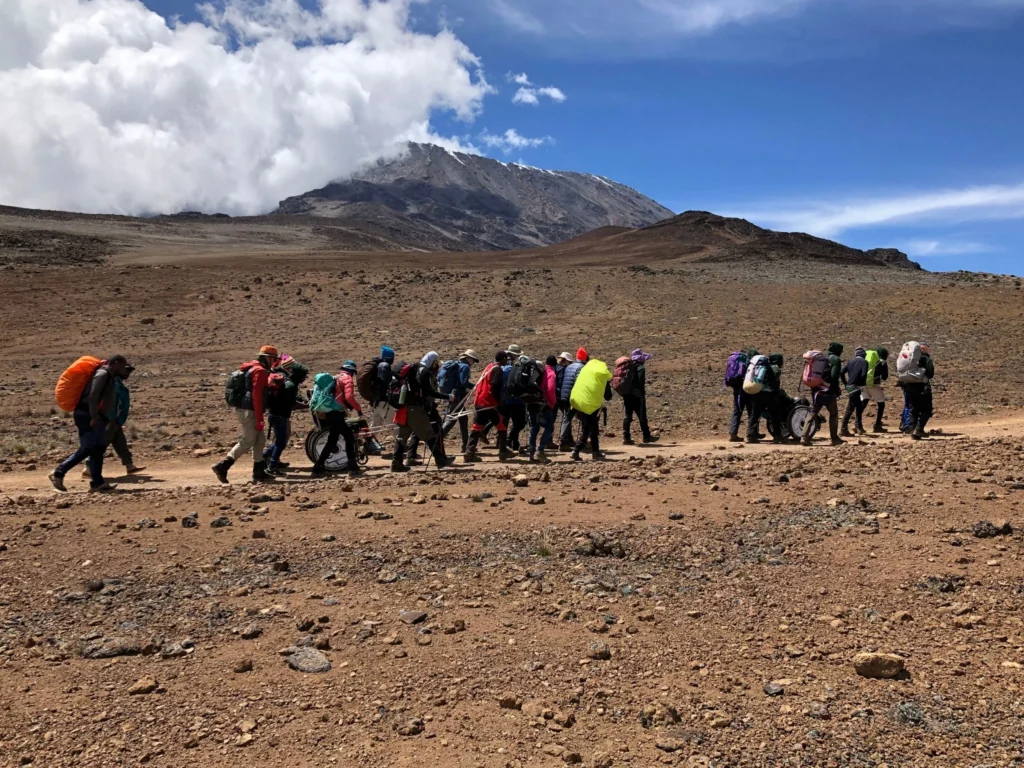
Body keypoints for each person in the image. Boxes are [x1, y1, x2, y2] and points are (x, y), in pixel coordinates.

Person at [49, 355, 132, 493]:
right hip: (87, 415)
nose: (124, 369)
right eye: (123, 366)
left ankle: (97, 483)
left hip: (98, 416)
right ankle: (58, 473)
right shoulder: (102, 373)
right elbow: (93, 395)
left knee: (98, 449)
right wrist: (93, 415)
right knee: (87, 448)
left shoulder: (109, 375)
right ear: (116, 363)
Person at [213, 346, 279, 484]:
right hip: (251, 411)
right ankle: (223, 466)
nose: (274, 362)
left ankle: (259, 472)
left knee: (259, 440)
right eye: (273, 359)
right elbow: (257, 395)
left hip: (248, 409)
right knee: (248, 440)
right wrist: (260, 418)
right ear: (268, 358)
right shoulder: (260, 371)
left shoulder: (253, 368)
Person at [391, 352, 454, 472]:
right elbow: (428, 392)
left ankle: (396, 463)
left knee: (402, 437)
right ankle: (441, 460)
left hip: (403, 408)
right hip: (415, 409)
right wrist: (447, 397)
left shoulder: (413, 369)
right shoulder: (423, 371)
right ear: (433, 361)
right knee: (429, 434)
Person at [81, 362, 144, 479]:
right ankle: (88, 467)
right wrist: (109, 418)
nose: (128, 374)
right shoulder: (113, 383)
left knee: (120, 441)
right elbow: (110, 401)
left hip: (114, 418)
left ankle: (129, 465)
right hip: (108, 418)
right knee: (102, 443)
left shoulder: (117, 382)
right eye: (126, 370)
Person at [308, 370, 361, 477]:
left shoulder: (335, 378)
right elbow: (349, 397)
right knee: (336, 440)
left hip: (329, 413)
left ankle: (352, 466)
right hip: (337, 413)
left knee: (346, 437)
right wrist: (358, 409)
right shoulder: (346, 379)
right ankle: (318, 468)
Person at [263, 355, 308, 475]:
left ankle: (265, 458)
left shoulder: (288, 383)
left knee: (279, 441)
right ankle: (271, 467)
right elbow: (291, 404)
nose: (304, 379)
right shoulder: (291, 386)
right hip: (280, 416)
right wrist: (306, 406)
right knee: (280, 442)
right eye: (303, 376)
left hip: (276, 415)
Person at [464, 351, 513, 463]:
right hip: (489, 402)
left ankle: (469, 452)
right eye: (506, 359)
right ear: (503, 359)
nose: (507, 361)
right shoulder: (498, 369)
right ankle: (503, 451)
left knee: (477, 426)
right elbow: (495, 386)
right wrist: (499, 401)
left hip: (479, 401)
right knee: (501, 424)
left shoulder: (489, 367)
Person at [801, 342, 844, 447]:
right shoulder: (835, 360)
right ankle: (834, 438)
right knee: (833, 414)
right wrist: (835, 390)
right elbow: (834, 377)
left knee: (813, 412)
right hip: (828, 392)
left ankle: (804, 437)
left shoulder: (821, 359)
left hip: (816, 390)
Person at [570, 357, 613, 462]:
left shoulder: (585, 373)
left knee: (593, 429)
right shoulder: (602, 378)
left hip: (578, 403)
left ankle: (595, 452)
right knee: (588, 429)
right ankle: (576, 450)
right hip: (591, 406)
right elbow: (608, 396)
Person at [440, 349, 479, 454]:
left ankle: (465, 445)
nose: (473, 363)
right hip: (458, 397)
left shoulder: (458, 365)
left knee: (463, 420)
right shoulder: (465, 367)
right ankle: (437, 440)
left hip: (454, 396)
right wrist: (475, 386)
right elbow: (463, 382)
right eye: (473, 360)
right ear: (468, 358)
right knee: (451, 419)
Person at [622, 348, 657, 445]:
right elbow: (640, 382)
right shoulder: (640, 368)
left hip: (627, 395)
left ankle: (626, 437)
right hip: (637, 396)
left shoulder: (627, 367)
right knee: (642, 416)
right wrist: (641, 393)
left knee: (628, 416)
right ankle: (646, 436)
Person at [746, 354, 784, 444]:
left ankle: (750, 436)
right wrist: (776, 391)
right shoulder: (770, 368)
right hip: (767, 394)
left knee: (754, 415)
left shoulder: (757, 368)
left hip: (756, 393)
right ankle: (777, 436)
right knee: (776, 413)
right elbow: (773, 381)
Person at [527, 355, 558, 463]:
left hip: (531, 402)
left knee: (534, 428)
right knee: (549, 428)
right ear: (555, 364)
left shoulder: (540, 371)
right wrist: (552, 403)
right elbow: (550, 389)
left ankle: (531, 453)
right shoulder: (551, 373)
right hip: (543, 405)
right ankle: (540, 450)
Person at [557, 348, 588, 451]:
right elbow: (579, 382)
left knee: (566, 419)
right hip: (574, 396)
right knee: (584, 418)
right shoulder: (582, 368)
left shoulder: (569, 366)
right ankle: (583, 441)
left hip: (564, 396)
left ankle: (562, 441)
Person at [501, 345, 529, 454]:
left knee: (506, 422)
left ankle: (511, 444)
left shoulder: (503, 365)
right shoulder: (514, 366)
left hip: (505, 399)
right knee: (519, 422)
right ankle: (509, 443)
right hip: (516, 399)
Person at [904, 343, 935, 440]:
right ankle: (919, 429)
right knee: (926, 409)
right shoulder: (926, 359)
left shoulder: (909, 358)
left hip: (909, 387)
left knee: (914, 408)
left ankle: (913, 430)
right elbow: (930, 374)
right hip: (923, 387)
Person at [726, 348, 758, 443]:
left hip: (736, 389)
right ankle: (752, 434)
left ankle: (733, 433)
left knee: (737, 411)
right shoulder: (749, 361)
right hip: (746, 389)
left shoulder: (736, 361)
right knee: (751, 411)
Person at [840, 347, 869, 437]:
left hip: (850, 386)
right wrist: (862, 384)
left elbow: (841, 372)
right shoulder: (864, 362)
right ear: (863, 355)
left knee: (859, 406)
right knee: (851, 407)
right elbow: (864, 374)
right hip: (856, 387)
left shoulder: (850, 362)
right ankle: (843, 429)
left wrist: (845, 383)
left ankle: (859, 427)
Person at [865, 347, 890, 433]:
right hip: (874, 384)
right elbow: (884, 377)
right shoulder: (882, 362)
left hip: (864, 384)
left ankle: (857, 425)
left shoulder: (868, 360)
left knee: (863, 404)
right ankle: (877, 425)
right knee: (881, 404)